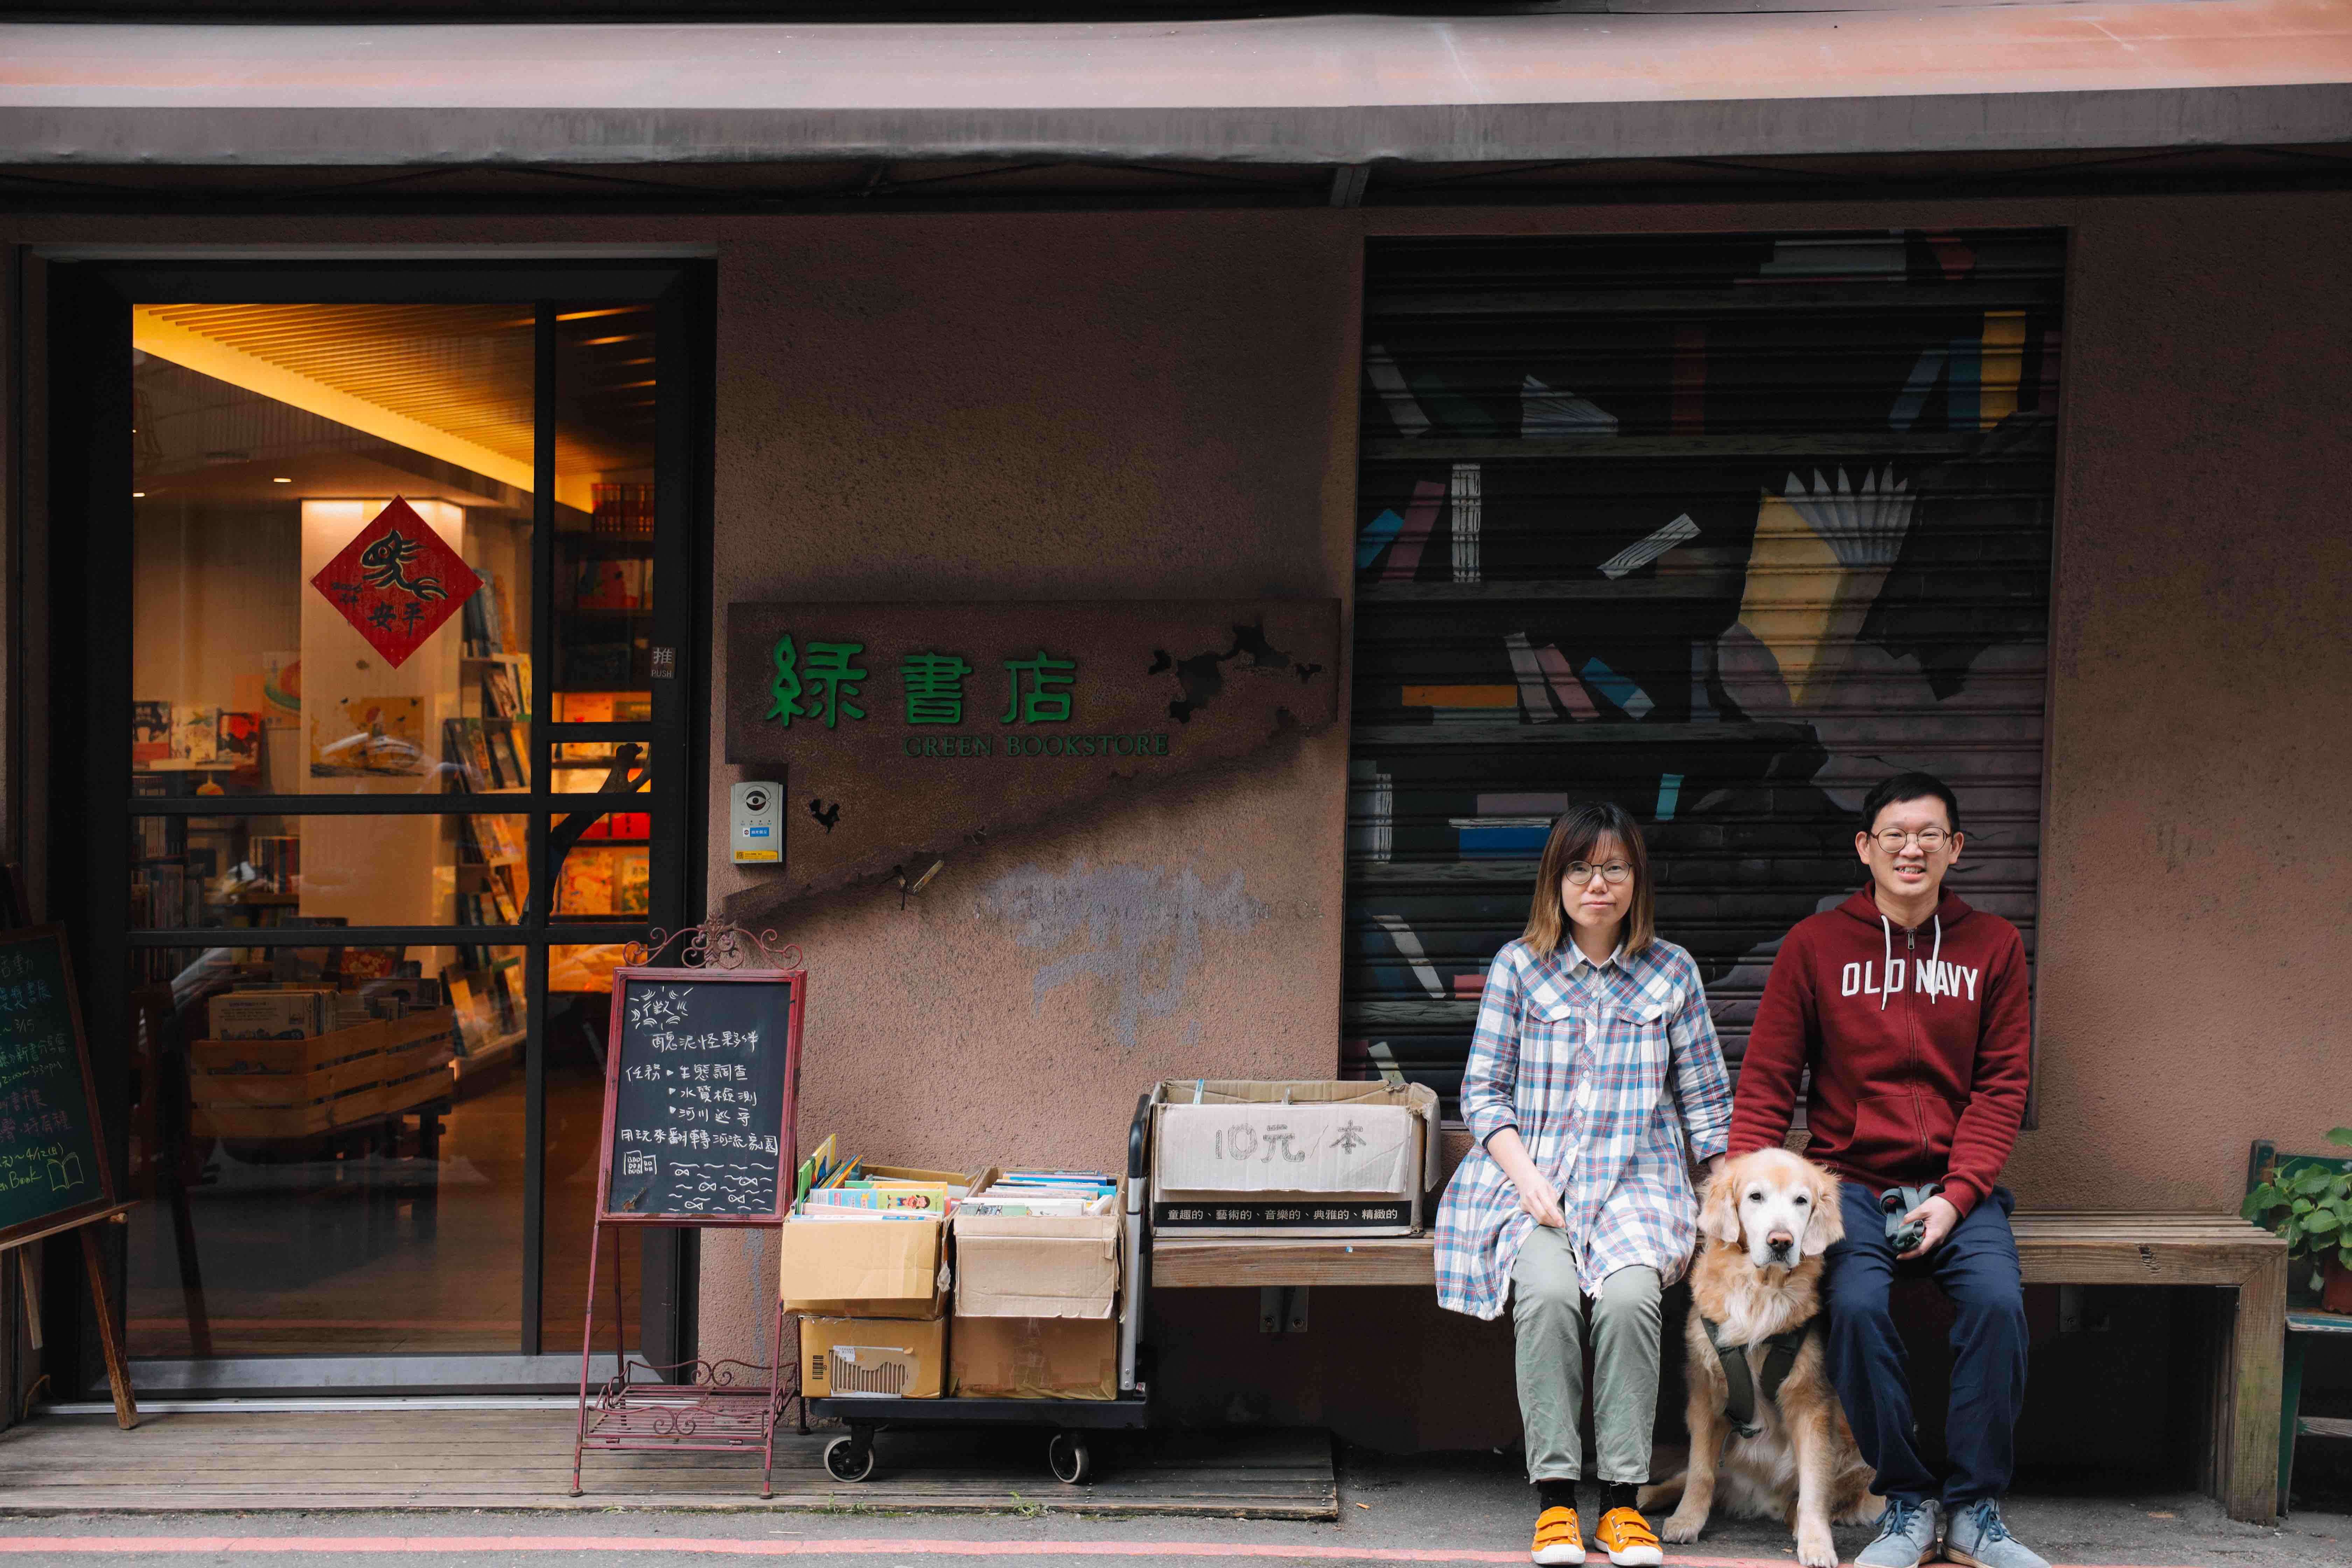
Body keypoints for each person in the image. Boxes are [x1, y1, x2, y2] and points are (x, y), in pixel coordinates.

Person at [1725, 772, 2039, 1568]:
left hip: (1959, 1187)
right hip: (1851, 1185)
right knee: (1859, 1306)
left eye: (1930, 834)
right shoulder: (1815, 945)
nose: (1912, 848)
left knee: (1998, 1304)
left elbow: (2003, 1086)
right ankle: (1905, 1502)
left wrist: (1958, 1197)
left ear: (1955, 847)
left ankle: (1974, 1511)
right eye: (1895, 834)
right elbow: (1767, 1080)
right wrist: (1741, 1204)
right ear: (1865, 847)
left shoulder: (1994, 945)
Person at [1436, 802, 1734, 1567]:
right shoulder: (1518, 967)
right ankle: (1557, 1503)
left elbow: (1707, 1103)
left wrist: (1727, 1199)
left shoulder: (1673, 971)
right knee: (1546, 1295)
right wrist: (1527, 1177)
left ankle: (1623, 1505)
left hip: (1639, 1184)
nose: (1597, 884)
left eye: (1614, 868)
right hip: (1533, 1184)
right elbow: (1483, 1093)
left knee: (1632, 1301)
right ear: (1555, 880)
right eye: (1579, 868)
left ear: (1637, 880)